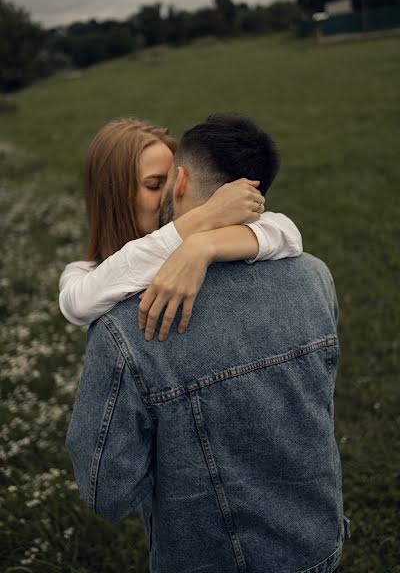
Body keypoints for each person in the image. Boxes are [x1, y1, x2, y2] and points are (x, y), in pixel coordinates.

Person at [65, 113, 351, 573]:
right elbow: (77, 297)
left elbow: (108, 493)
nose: (163, 199)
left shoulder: (127, 327)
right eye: (149, 184)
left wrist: (201, 246)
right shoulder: (314, 276)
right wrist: (195, 235)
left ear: (183, 181)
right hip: (317, 541)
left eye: (165, 181)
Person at [58, 117, 302, 337]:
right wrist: (206, 215)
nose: (172, 192)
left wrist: (202, 245)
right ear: (113, 197)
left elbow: (285, 231)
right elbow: (77, 305)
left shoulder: (198, 241)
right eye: (154, 185)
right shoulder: (81, 273)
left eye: (173, 179)